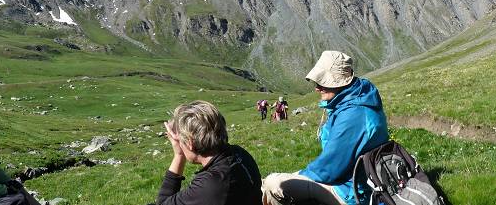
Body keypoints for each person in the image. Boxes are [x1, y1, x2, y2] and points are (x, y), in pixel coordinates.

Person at [261, 51, 389, 205]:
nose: (317, 88)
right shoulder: (357, 99)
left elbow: (329, 170)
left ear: (340, 82)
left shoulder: (353, 116)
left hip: (350, 193)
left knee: (273, 184)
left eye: (322, 82)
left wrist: (296, 175)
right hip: (357, 183)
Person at [158, 100, 263, 205]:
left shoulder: (212, 184)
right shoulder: (239, 153)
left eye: (180, 140)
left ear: (190, 142)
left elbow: (163, 203)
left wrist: (179, 155)